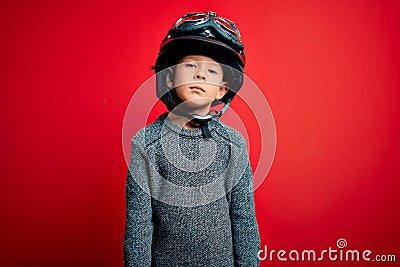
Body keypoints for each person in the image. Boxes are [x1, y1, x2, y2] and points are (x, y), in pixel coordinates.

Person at [124, 11, 260, 266]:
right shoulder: (146, 144)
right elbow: (138, 226)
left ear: (222, 89)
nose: (200, 74)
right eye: (190, 65)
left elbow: (244, 218)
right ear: (170, 76)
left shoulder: (233, 144)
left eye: (212, 70)